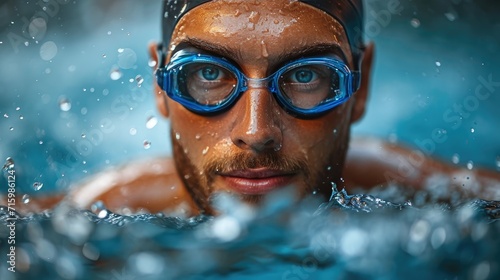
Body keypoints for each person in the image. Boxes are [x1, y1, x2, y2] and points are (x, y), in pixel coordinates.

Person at [6, 0, 500, 215]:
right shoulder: (104, 206)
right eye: (208, 74)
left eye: (307, 77)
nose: (257, 131)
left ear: (361, 83)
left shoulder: (416, 192)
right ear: (159, 85)